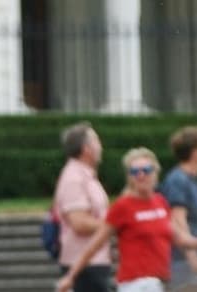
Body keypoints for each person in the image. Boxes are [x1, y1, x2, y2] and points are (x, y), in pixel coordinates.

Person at [57, 148, 197, 292]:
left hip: (159, 282)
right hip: (136, 284)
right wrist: (71, 276)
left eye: (146, 170)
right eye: (135, 171)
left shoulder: (160, 202)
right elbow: (95, 244)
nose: (141, 175)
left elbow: (179, 237)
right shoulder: (123, 206)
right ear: (129, 176)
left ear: (156, 172)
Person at [52, 121, 111, 292]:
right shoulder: (73, 178)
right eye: (97, 141)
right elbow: (79, 223)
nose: (101, 147)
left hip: (94, 262)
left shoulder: (85, 176)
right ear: (86, 149)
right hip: (84, 265)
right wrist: (113, 226)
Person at [159, 126, 197, 291]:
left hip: (190, 260)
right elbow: (177, 220)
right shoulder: (178, 180)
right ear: (195, 152)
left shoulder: (189, 179)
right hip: (182, 263)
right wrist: (193, 257)